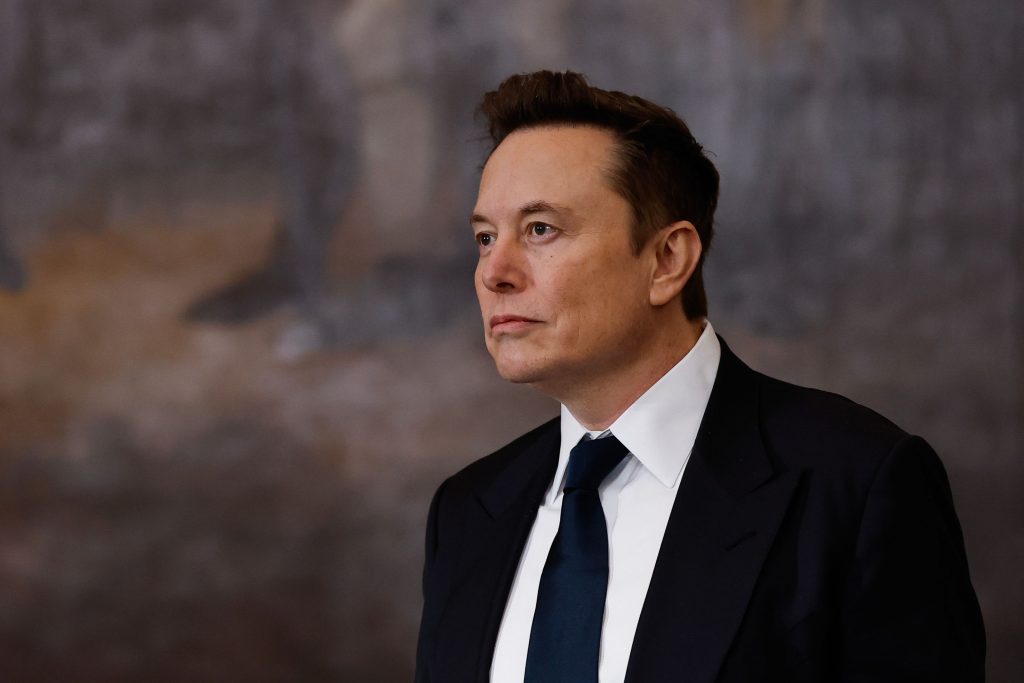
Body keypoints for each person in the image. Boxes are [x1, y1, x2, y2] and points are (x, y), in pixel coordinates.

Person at [414, 70, 984, 683]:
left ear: (667, 259)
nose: (494, 272)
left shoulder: (857, 482)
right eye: (483, 237)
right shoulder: (468, 509)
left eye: (541, 229)